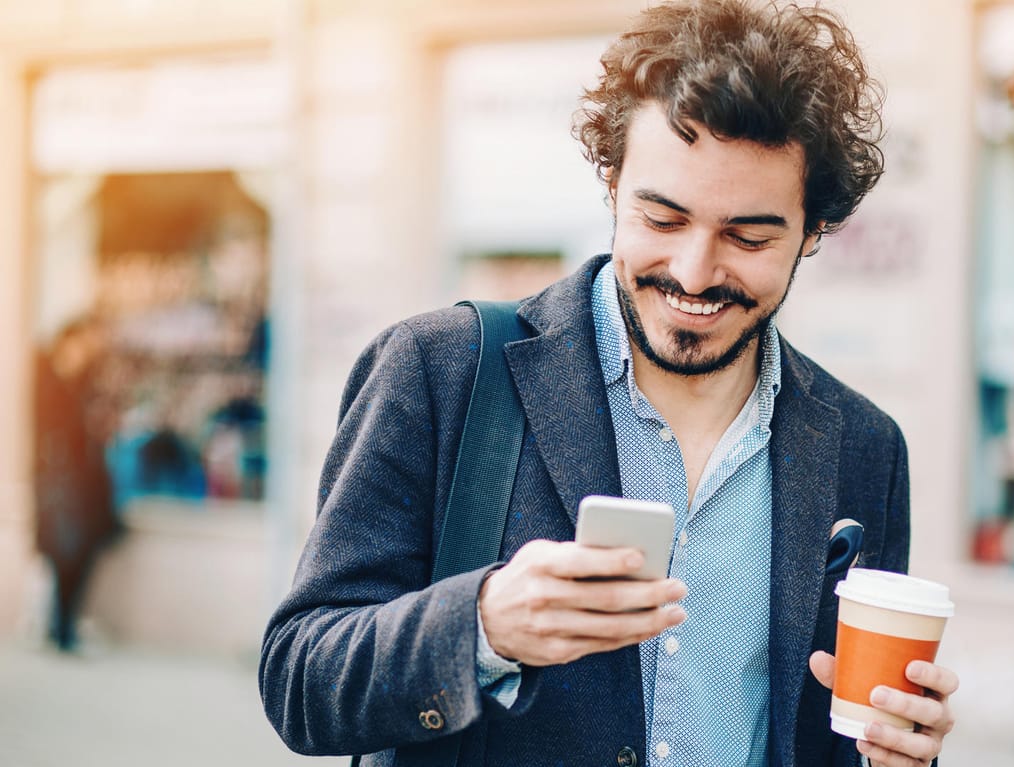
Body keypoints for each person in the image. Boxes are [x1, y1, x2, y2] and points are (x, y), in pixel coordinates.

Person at [259, 2, 958, 766]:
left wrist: (899, 754)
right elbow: (301, 677)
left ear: (814, 231)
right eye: (661, 218)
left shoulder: (865, 447)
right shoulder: (439, 370)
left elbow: (837, 731)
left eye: (747, 237)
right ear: (612, 182)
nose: (694, 272)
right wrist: (483, 625)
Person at [32, 317, 120, 652]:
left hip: (87, 485)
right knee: (63, 552)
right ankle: (60, 625)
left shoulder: (88, 381)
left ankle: (63, 624)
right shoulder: (48, 379)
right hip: (62, 486)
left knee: (81, 553)